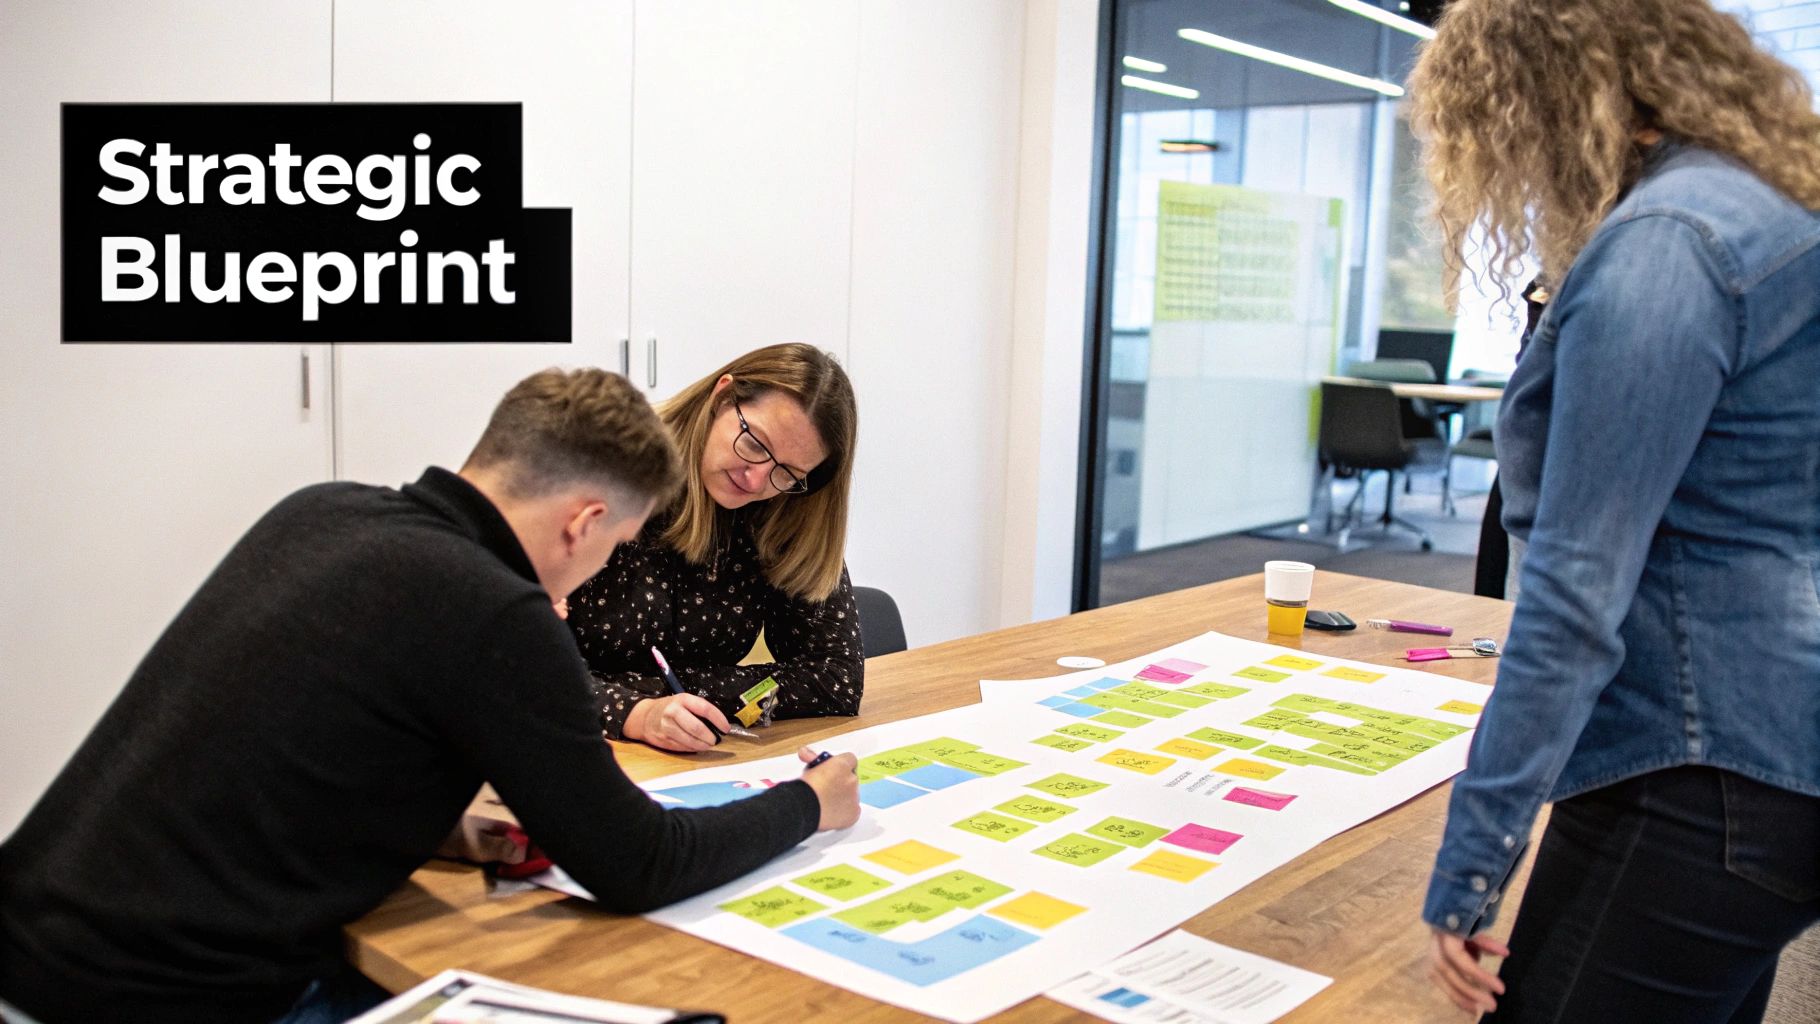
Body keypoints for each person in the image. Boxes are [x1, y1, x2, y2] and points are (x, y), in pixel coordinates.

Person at [0, 368, 860, 1024]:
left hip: (31, 938)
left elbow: (309, 756)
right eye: (618, 544)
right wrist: (804, 804)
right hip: (157, 996)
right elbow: (639, 864)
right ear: (583, 524)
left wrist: (460, 834)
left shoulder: (325, 510)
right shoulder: (495, 612)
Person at [1408, 1, 1820, 1020]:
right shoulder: (1766, 210)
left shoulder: (1666, 247)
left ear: (1541, 97)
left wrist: (1472, 859)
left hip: (1692, 772)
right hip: (1766, 758)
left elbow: (1572, 595)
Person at [567, 343, 864, 753]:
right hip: (572, 752)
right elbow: (516, 667)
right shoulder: (599, 474)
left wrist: (667, 695)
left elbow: (835, 679)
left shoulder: (783, 506)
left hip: (691, 760)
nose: (757, 481)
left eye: (787, 472)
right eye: (756, 444)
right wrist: (635, 711)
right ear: (723, 395)